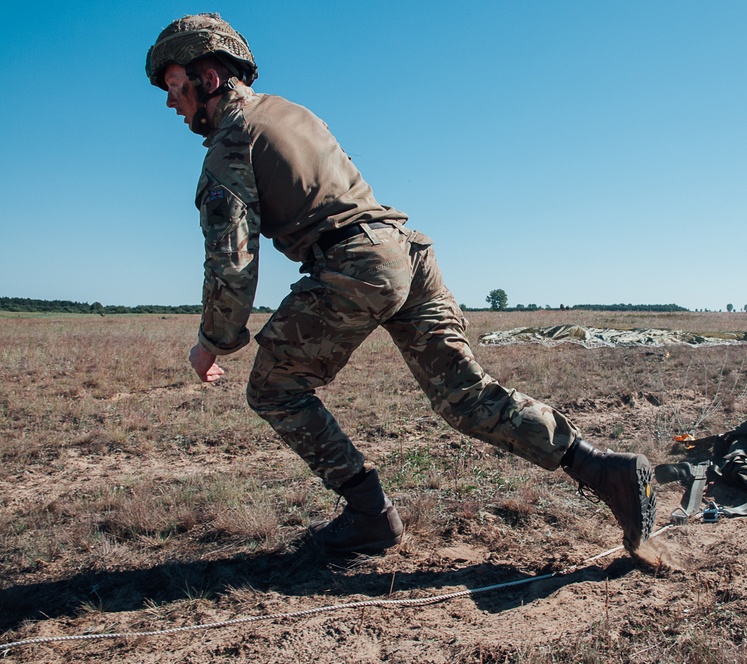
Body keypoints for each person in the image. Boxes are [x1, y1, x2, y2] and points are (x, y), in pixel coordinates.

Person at [146, 13, 656, 557]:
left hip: (353, 262)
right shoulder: (290, 113)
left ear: (208, 77)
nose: (170, 103)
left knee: (274, 389)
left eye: (173, 85)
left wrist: (214, 342)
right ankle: (604, 469)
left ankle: (369, 514)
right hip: (406, 251)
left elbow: (231, 263)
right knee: (467, 397)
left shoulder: (230, 144)